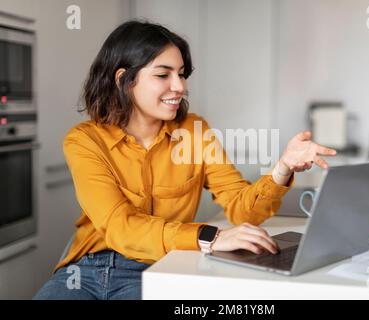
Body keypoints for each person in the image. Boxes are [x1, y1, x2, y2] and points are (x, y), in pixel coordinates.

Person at [34, 20, 336, 300]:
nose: (179, 86)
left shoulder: (194, 131)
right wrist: (210, 238)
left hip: (157, 269)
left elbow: (243, 209)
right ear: (123, 79)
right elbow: (120, 227)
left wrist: (282, 168)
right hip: (83, 270)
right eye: (163, 74)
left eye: (181, 74)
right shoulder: (85, 140)